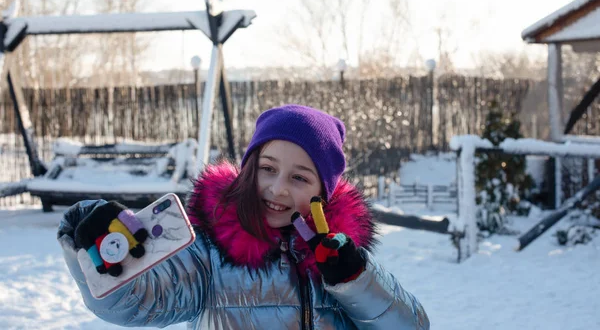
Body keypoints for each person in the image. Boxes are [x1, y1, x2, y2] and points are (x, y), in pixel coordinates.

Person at [58, 104, 430, 329]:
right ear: (249, 169)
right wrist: (84, 230)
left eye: (299, 177)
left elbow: (411, 326)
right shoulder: (207, 254)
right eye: (268, 169)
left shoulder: (338, 260)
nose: (278, 188)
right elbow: (133, 305)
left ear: (323, 193)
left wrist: (355, 280)